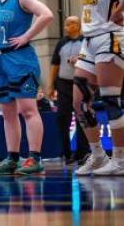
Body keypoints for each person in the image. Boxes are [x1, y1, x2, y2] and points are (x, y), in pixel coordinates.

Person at [0, 0, 54, 176]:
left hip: (20, 60)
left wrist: (26, 36)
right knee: (7, 113)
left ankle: (35, 158)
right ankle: (12, 157)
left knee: (28, 110)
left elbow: (47, 14)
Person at [72, 0, 124, 176]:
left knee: (110, 99)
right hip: (89, 41)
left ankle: (120, 159)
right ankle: (98, 155)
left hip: (110, 38)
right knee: (79, 100)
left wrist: (119, 12)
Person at [48, 16, 89, 164]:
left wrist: (79, 59)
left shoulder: (86, 41)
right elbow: (54, 65)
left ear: (77, 26)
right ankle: (67, 153)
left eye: (69, 23)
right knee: (62, 118)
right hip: (63, 84)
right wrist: (50, 85)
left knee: (81, 116)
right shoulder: (61, 43)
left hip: (81, 83)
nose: (65, 26)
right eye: (65, 23)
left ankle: (82, 152)